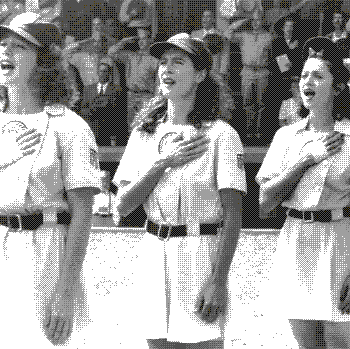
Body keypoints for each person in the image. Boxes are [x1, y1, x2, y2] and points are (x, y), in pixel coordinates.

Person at [113, 33, 246, 349]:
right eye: (162, 61)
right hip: (153, 251)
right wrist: (161, 164)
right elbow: (122, 207)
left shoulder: (220, 135)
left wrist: (217, 280)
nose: (166, 69)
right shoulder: (144, 134)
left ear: (200, 74)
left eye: (178, 61)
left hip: (200, 253)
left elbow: (233, 215)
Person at [257, 36, 350, 349]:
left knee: (339, 344)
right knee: (306, 345)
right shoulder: (286, 136)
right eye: (303, 76)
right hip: (296, 239)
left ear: (337, 87)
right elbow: (265, 203)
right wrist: (305, 160)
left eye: (318, 76)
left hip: (339, 241)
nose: (307, 82)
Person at [0, 12, 103, 347]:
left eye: (18, 47)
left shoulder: (68, 127)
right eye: (4, 44)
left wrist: (65, 291)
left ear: (44, 61)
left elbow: (83, 214)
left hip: (44, 248)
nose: (5, 52)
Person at [224, 12, 273, 139]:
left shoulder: (268, 37)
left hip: (263, 72)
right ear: (251, 22)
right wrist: (243, 20)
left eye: (259, 20)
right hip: (247, 72)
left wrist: (286, 70)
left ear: (262, 22)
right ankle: (249, 134)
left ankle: (259, 134)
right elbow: (227, 34)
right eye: (254, 21)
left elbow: (278, 54)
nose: (256, 23)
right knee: (247, 104)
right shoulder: (243, 36)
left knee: (262, 104)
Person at [107, 27, 157, 131]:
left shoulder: (154, 60)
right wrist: (124, 41)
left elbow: (158, 82)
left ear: (150, 40)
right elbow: (110, 52)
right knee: (132, 126)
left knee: (146, 126)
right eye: (139, 39)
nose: (141, 42)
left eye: (144, 38)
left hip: (146, 96)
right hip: (131, 96)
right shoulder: (130, 57)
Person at [80, 58, 127, 146]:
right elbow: (83, 109)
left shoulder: (117, 90)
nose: (102, 74)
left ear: (109, 73)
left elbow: (119, 113)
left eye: (105, 71)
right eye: (101, 71)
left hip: (108, 131)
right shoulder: (88, 89)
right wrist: (91, 111)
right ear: (97, 72)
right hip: (92, 129)